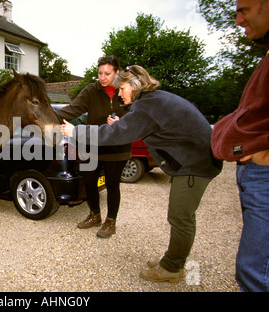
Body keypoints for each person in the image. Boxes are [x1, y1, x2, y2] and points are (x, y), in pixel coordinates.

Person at [61, 65, 223, 283]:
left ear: (135, 86)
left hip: (195, 164)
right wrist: (123, 125)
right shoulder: (153, 100)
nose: (119, 93)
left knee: (180, 217)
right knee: (180, 216)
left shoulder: (148, 105)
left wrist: (76, 131)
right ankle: (172, 260)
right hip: (194, 160)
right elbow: (136, 128)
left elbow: (115, 134)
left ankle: (172, 268)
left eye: (122, 88)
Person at [211, 0, 269, 292]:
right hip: (256, 174)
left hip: (264, 174)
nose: (238, 20)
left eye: (244, 9)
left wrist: (263, 154)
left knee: (254, 272)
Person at [54, 55, 132, 238]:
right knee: (89, 182)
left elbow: (137, 115)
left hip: (116, 146)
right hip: (91, 145)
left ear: (117, 73)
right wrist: (47, 115)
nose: (102, 77)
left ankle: (110, 221)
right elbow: (72, 109)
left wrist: (122, 122)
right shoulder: (91, 90)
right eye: (100, 73)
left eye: (107, 73)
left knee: (113, 185)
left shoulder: (127, 90)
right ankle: (95, 215)